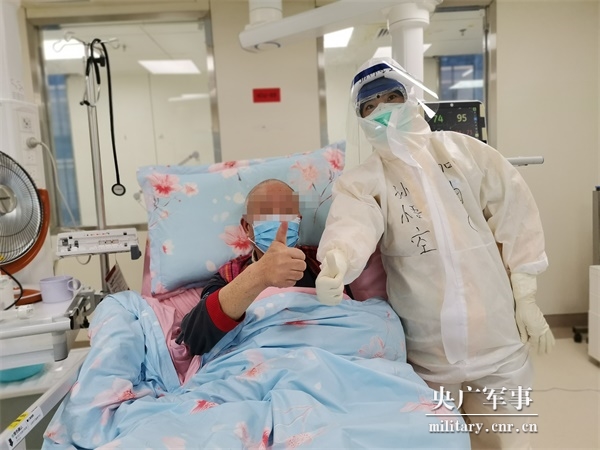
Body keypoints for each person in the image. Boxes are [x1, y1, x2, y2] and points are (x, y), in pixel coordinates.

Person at [315, 57, 554, 450]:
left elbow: (515, 210)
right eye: (369, 107)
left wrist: (526, 295)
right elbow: (352, 222)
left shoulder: (463, 151)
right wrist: (338, 259)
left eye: (391, 98)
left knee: (511, 434)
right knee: (439, 439)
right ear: (360, 120)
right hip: (428, 350)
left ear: (411, 99)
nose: (382, 111)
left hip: (496, 335)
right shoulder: (366, 180)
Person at [176, 179, 349, 357]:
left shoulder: (322, 262)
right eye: (267, 214)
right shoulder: (230, 275)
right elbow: (193, 339)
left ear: (299, 221)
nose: (279, 222)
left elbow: (352, 313)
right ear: (247, 227)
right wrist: (259, 275)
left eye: (287, 213)